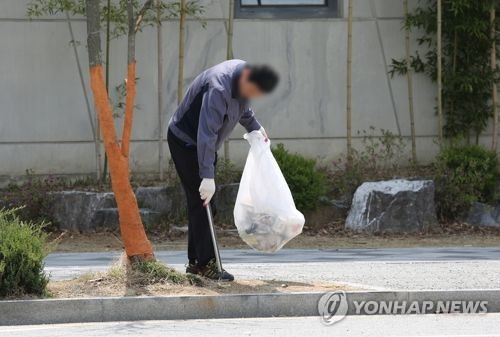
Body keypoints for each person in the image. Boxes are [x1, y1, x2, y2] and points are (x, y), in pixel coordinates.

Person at [167, 59, 279, 281]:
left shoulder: (244, 80)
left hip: (203, 146)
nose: (251, 97)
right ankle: (207, 266)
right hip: (186, 142)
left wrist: (255, 128)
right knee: (203, 203)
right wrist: (207, 176)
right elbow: (206, 134)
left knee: (203, 204)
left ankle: (196, 263)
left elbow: (243, 109)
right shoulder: (218, 89)